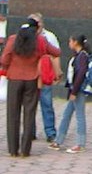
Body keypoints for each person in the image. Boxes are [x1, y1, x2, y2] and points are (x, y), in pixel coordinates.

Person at [1, 17, 60, 158]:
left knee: (12, 114)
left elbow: (4, 59)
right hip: (32, 79)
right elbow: (57, 52)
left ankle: (13, 150)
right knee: (29, 114)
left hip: (14, 78)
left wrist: (10, 66)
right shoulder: (40, 40)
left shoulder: (13, 39)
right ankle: (25, 150)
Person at [48, 34, 90, 154]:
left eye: (70, 41)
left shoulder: (82, 56)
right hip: (74, 89)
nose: (69, 43)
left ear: (76, 42)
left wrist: (74, 91)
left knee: (80, 116)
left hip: (78, 90)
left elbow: (80, 73)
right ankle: (58, 141)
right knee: (67, 114)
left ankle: (80, 143)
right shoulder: (79, 55)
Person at [29, 12, 61, 143]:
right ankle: (30, 131)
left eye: (38, 23)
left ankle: (50, 132)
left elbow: (56, 54)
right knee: (29, 105)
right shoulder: (25, 36)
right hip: (30, 74)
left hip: (44, 74)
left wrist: (57, 72)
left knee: (47, 104)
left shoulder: (49, 37)